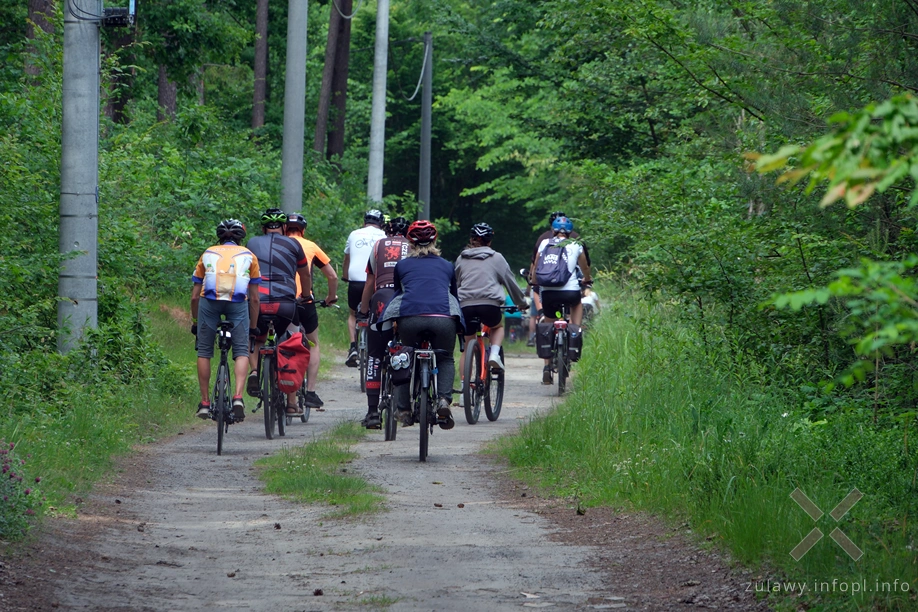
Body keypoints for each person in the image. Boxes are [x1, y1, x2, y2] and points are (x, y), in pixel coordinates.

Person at [376, 220, 464, 429]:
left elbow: (398, 293)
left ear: (410, 242)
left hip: (410, 319)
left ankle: (404, 409)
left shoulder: (402, 265)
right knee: (444, 358)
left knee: (405, 357)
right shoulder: (447, 265)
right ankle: (443, 400)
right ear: (435, 240)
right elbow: (453, 294)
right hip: (443, 318)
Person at [190, 219, 260, 421]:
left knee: (204, 351)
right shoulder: (249, 256)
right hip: (237, 303)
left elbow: (195, 296)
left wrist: (195, 322)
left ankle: (204, 402)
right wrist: (253, 328)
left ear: (219, 236)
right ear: (240, 238)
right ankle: (238, 397)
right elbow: (254, 298)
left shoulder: (208, 253)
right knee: (240, 351)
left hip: (209, 301)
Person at [246, 208, 312, 416]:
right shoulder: (294, 244)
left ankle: (255, 371)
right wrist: (307, 295)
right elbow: (305, 274)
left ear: (263, 228)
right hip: (285, 303)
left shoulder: (252, 244)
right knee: (290, 341)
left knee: (255, 336)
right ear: (284, 227)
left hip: (258, 301)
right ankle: (292, 403)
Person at [454, 223, 527, 381]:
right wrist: (521, 302)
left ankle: (464, 388)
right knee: (497, 327)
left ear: (471, 239)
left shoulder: (461, 258)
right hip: (489, 305)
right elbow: (510, 282)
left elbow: (457, 283)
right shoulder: (496, 258)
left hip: (465, 305)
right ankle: (494, 354)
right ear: (489, 241)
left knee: (468, 346)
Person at [358, 216, 411, 428]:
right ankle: (408, 403)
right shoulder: (413, 246)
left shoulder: (378, 245)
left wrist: (362, 310)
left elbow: (370, 282)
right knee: (410, 348)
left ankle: (372, 413)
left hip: (381, 300)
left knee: (375, 356)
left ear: (388, 231)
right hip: (406, 300)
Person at [284, 212, 339, 410]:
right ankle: (311, 392)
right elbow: (332, 277)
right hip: (304, 301)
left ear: (284, 229)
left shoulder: (278, 245)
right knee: (313, 343)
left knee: (287, 345)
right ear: (303, 230)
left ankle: (286, 395)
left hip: (281, 300)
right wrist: (330, 297)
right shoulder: (311, 246)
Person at [529, 215, 591, 385]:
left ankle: (547, 367)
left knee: (548, 324)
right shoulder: (576, 244)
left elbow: (535, 266)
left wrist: (534, 282)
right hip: (570, 291)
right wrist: (587, 278)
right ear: (570, 232)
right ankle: (574, 331)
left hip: (548, 293)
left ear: (553, 231)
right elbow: (584, 266)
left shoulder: (544, 243)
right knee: (577, 304)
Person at [342, 209, 386, 367]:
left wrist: (345, 276)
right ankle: (375, 347)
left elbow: (347, 258)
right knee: (375, 313)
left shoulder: (354, 234)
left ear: (364, 222)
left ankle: (353, 346)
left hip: (355, 280)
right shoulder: (384, 237)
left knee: (353, 313)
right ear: (381, 224)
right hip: (374, 281)